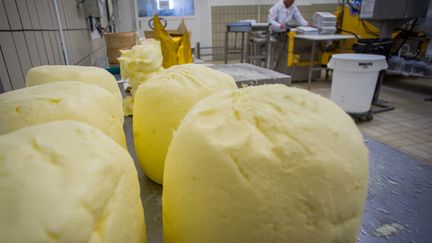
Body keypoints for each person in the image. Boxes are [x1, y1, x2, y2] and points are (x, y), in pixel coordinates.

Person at [268, 0, 308, 69]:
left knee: (282, 54)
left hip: (286, 32)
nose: (292, 2)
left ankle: (279, 68)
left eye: (293, 1)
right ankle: (271, 68)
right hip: (275, 32)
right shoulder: (277, 7)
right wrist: (279, 25)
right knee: (273, 54)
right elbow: (271, 20)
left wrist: (307, 25)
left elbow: (299, 19)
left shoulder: (293, 7)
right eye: (290, 1)